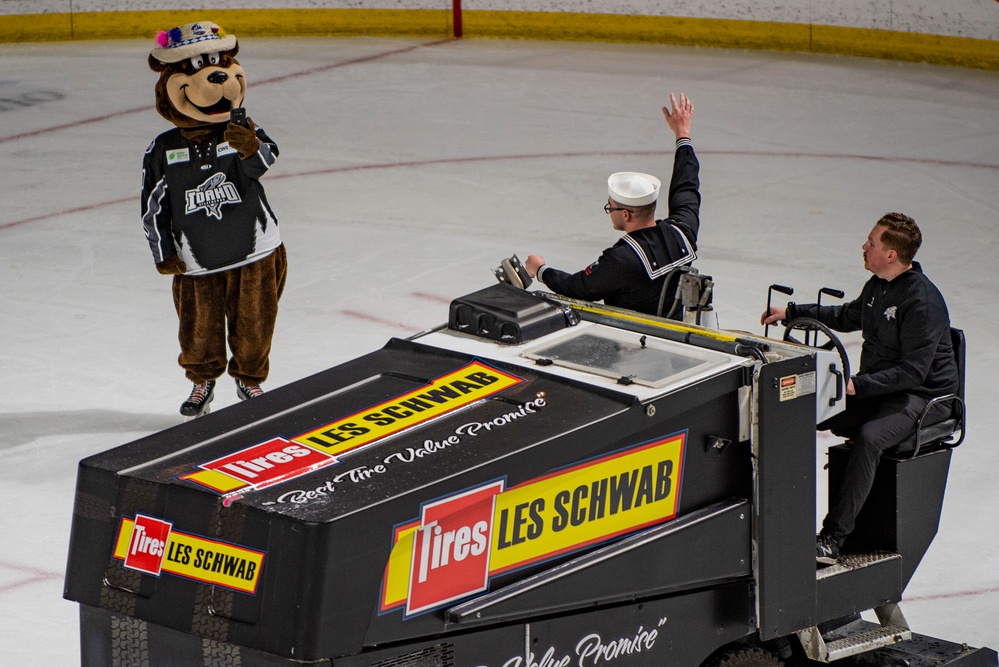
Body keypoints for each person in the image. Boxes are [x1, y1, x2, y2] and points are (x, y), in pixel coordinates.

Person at [761, 213, 958, 563]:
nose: (864, 247)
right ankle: (776, 517)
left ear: (891, 255)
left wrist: (857, 386)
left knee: (870, 438)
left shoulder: (922, 303)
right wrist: (791, 312)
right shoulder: (878, 286)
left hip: (923, 398)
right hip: (879, 390)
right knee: (798, 409)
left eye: (871, 243)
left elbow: (913, 372)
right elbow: (850, 316)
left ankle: (833, 539)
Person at [141, 22, 288, 417]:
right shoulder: (163, 148)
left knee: (255, 322)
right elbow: (154, 205)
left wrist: (248, 146)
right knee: (197, 327)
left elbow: (265, 162)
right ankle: (202, 381)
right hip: (195, 261)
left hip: (255, 250)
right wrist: (163, 252)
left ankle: (250, 379)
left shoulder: (242, 128)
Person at [524, 92, 699, 318]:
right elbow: (686, 186)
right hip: (676, 328)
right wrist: (682, 134)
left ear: (626, 214)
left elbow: (577, 288)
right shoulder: (682, 230)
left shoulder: (622, 259)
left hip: (634, 342)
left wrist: (539, 270)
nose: (609, 213)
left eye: (610, 207)